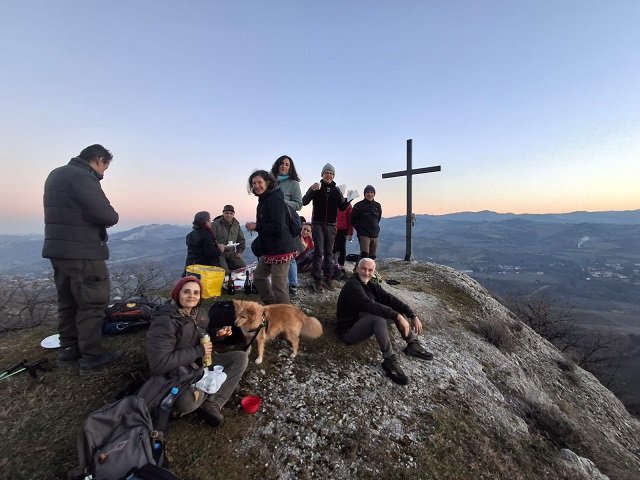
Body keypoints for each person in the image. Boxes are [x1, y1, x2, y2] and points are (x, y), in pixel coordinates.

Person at [42, 144, 122, 375]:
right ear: (98, 159)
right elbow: (106, 214)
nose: (103, 173)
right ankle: (92, 357)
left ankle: (69, 350)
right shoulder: (83, 177)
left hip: (58, 250)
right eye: (104, 167)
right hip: (83, 251)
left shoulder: (56, 174)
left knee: (68, 302)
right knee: (92, 303)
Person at [146, 276, 248, 427]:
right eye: (186, 291)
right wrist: (198, 350)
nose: (191, 296)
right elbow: (159, 364)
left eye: (196, 292)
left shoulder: (199, 312)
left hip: (202, 362)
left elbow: (201, 335)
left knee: (241, 357)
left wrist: (217, 334)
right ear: (177, 294)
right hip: (179, 372)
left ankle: (212, 402)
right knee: (187, 403)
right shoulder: (165, 321)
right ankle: (220, 383)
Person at [336, 258, 433, 385]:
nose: (366, 273)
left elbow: (389, 298)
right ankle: (389, 360)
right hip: (349, 331)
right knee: (379, 320)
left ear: (374, 272)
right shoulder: (352, 286)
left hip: (361, 319)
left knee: (397, 311)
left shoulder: (370, 284)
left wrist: (411, 314)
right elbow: (368, 304)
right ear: (357, 269)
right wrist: (398, 317)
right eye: (363, 269)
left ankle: (412, 344)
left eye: (370, 270)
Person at [245, 170, 297, 304]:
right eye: (253, 183)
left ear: (268, 182)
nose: (256, 186)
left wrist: (257, 227)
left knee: (278, 286)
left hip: (281, 249)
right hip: (270, 249)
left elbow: (278, 226)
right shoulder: (265, 199)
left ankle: (284, 314)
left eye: (259, 182)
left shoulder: (274, 199)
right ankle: (271, 305)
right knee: (259, 277)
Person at [302, 163, 350, 292]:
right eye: (326, 173)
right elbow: (304, 201)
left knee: (329, 252)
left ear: (333, 176)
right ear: (322, 174)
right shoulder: (316, 187)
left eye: (331, 173)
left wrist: (349, 199)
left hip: (331, 225)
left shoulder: (337, 190)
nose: (328, 175)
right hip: (317, 224)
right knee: (319, 252)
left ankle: (328, 278)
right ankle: (317, 279)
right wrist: (311, 190)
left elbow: (342, 207)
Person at [271, 155, 303, 297]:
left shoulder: (293, 183)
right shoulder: (270, 181)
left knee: (289, 255)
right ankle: (277, 284)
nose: (284, 166)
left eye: (287, 164)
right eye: (282, 163)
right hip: (271, 222)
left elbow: (299, 204)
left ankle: (293, 285)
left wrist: (282, 202)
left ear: (290, 168)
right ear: (277, 165)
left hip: (287, 223)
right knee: (272, 252)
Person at [350, 185, 382, 260]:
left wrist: (376, 228)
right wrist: (360, 229)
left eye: (371, 192)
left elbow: (378, 218)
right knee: (364, 255)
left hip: (374, 234)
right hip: (363, 234)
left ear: (374, 194)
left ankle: (369, 268)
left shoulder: (377, 205)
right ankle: (358, 267)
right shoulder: (358, 205)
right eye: (367, 192)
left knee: (372, 256)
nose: (370, 194)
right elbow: (352, 219)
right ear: (364, 194)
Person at [212, 205, 246, 272]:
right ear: (223, 213)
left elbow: (241, 240)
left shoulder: (236, 225)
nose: (229, 215)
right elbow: (209, 239)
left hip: (231, 252)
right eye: (226, 213)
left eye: (231, 213)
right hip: (218, 253)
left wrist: (239, 252)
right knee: (224, 271)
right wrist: (217, 245)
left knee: (242, 267)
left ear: (233, 214)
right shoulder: (215, 224)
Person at [333, 202, 353, 275]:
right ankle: (333, 264)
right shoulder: (332, 199)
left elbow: (350, 219)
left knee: (341, 247)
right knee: (332, 247)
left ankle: (341, 265)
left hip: (343, 229)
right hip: (331, 228)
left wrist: (350, 232)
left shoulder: (347, 203)